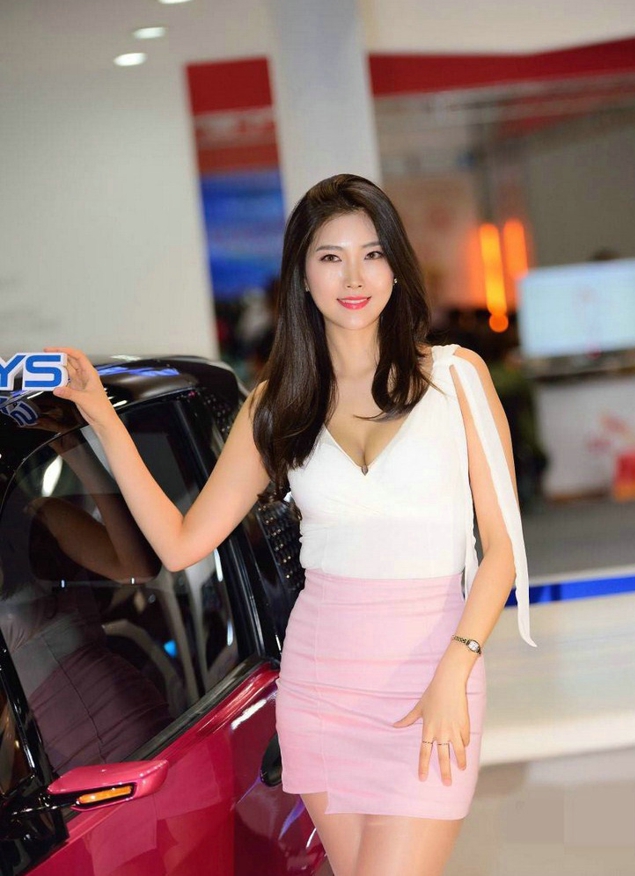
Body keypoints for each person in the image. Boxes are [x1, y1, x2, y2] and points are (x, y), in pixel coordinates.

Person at [48, 173, 535, 876]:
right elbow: (181, 543)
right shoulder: (279, 405)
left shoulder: (457, 379)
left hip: (436, 677)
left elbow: (502, 550)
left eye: (371, 254)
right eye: (331, 257)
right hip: (321, 690)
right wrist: (100, 415)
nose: (354, 277)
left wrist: (455, 670)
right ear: (303, 277)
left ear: (396, 266)